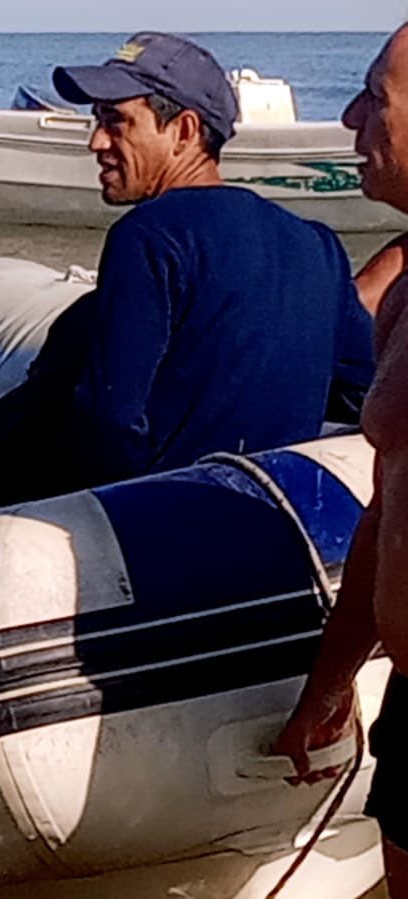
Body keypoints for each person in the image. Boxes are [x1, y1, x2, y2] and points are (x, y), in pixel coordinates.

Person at [0, 32, 375, 508]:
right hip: (271, 516)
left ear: (184, 131)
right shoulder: (316, 244)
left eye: (116, 121)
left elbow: (109, 419)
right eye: (97, 120)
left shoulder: (151, 237)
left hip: (164, 521)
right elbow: (362, 393)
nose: (96, 141)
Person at [276, 25, 408, 896]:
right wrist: (328, 685)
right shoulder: (399, 293)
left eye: (376, 98)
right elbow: (386, 508)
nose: (351, 118)